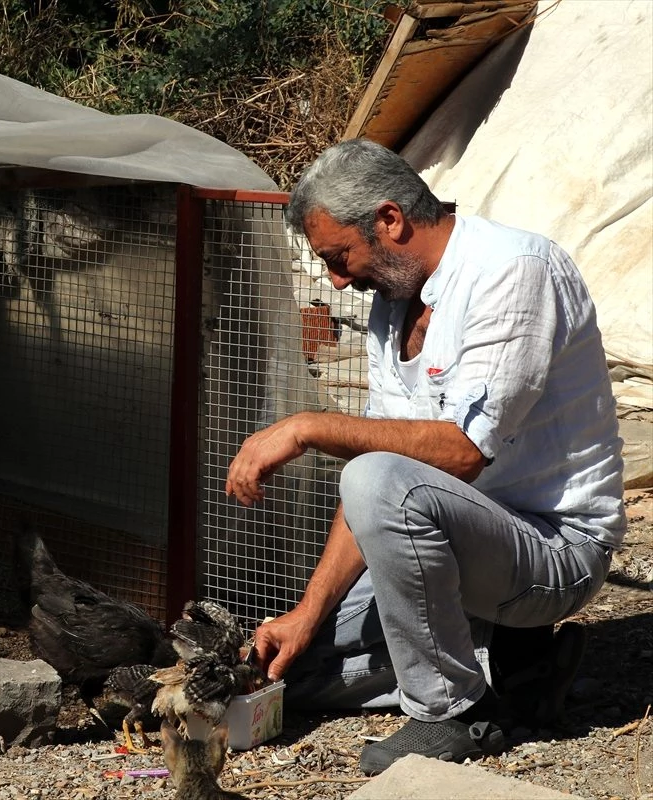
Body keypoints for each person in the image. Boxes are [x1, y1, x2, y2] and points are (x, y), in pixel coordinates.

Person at [225, 138, 626, 775]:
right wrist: (305, 614)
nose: (335, 279)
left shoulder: (513, 269)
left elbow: (461, 454)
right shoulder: (393, 305)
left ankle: (452, 712)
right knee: (293, 673)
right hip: (456, 547)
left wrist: (307, 426)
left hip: (553, 552)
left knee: (374, 473)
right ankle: (515, 670)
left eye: (338, 257)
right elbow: (376, 491)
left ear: (389, 219)